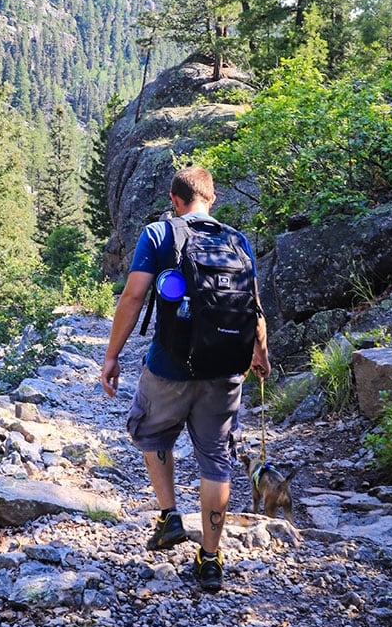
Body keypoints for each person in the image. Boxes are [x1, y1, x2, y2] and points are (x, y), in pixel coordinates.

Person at [100, 165, 270, 593]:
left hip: (170, 366)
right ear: (212, 199)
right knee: (215, 458)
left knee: (152, 433)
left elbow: (134, 295)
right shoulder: (236, 240)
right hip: (226, 369)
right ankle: (210, 560)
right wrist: (260, 355)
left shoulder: (158, 235)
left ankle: (170, 515)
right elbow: (254, 306)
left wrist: (112, 355)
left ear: (176, 201)